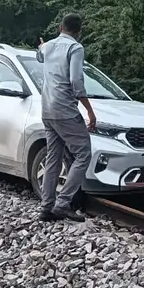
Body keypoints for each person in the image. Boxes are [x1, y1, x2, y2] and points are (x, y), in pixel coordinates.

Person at [36, 12, 97, 223]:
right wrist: (89, 110)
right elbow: (76, 81)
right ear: (79, 32)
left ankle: (46, 207)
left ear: (61, 27)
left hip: (47, 110)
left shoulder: (49, 46)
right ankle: (62, 204)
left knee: (53, 157)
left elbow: (40, 54)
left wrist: (42, 46)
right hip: (65, 110)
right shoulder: (75, 48)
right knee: (84, 154)